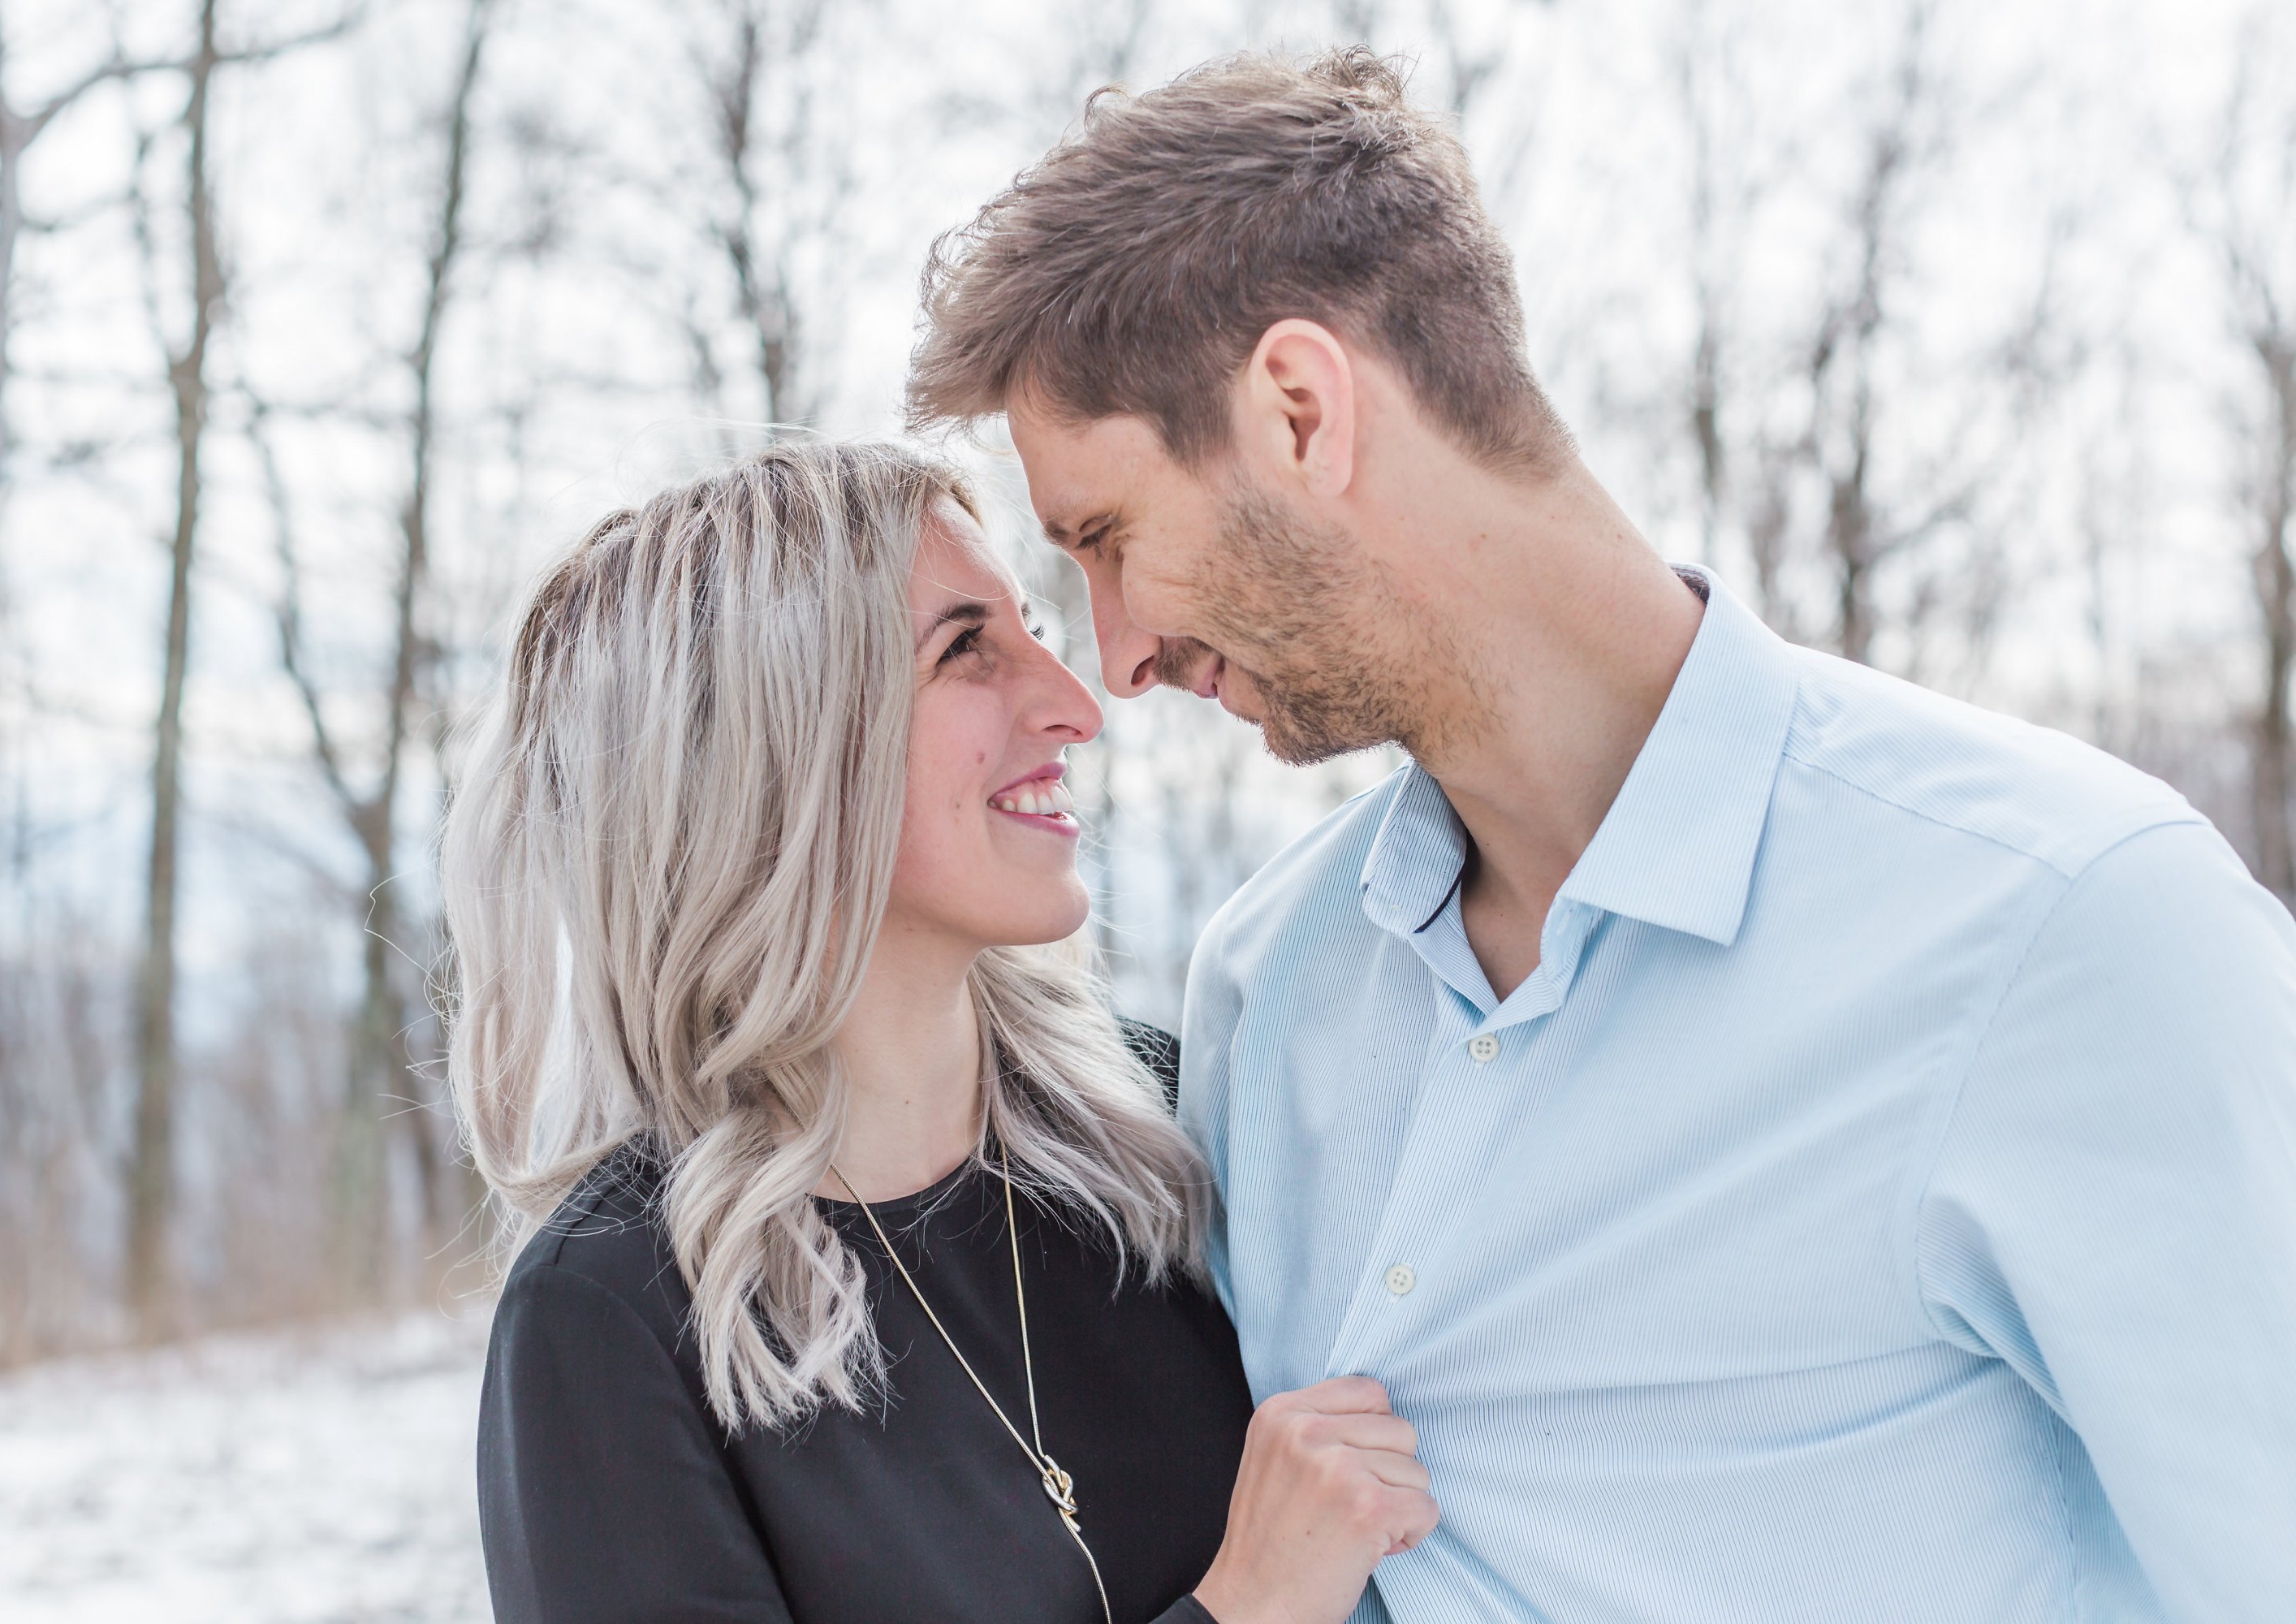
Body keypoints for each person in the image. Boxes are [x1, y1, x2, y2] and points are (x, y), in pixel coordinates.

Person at [904, 47, 2296, 1624]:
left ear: (1301, 411)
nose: (1119, 656)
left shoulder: (2070, 928)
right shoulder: (1264, 991)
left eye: (1107, 537)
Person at [443, 440, 1438, 1624]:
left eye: (1034, 631)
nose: (1077, 707)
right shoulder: (615, 1318)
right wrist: (1252, 1607)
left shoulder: (1165, 1128)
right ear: (779, 757)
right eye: (968, 650)